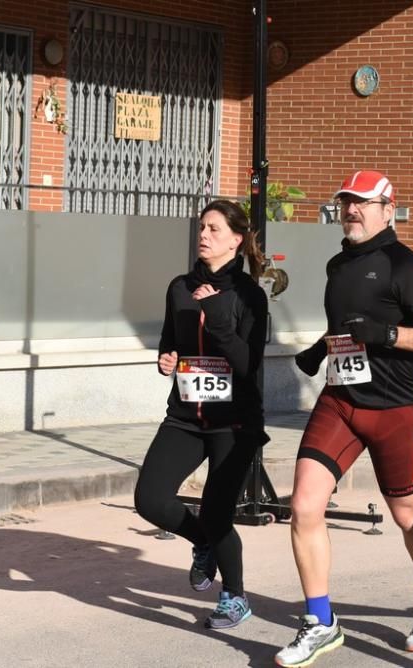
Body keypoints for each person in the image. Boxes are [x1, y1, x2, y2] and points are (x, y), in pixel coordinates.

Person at [274, 171, 413, 667]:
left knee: (405, 514)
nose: (351, 210)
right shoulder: (337, 264)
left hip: (396, 409)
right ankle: (320, 622)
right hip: (340, 403)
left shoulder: (405, 265)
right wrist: (320, 348)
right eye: (346, 202)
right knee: (305, 506)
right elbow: (347, 327)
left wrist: (388, 335)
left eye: (362, 203)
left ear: (387, 209)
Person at [134, 199, 269, 631]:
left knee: (216, 510)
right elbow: (169, 338)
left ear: (236, 239)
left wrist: (217, 320)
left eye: (214, 229)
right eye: (202, 228)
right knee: (150, 500)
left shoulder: (249, 295)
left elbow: (248, 365)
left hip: (235, 421)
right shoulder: (179, 287)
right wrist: (166, 359)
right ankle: (204, 544)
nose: (204, 235)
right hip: (186, 415)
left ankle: (235, 597)